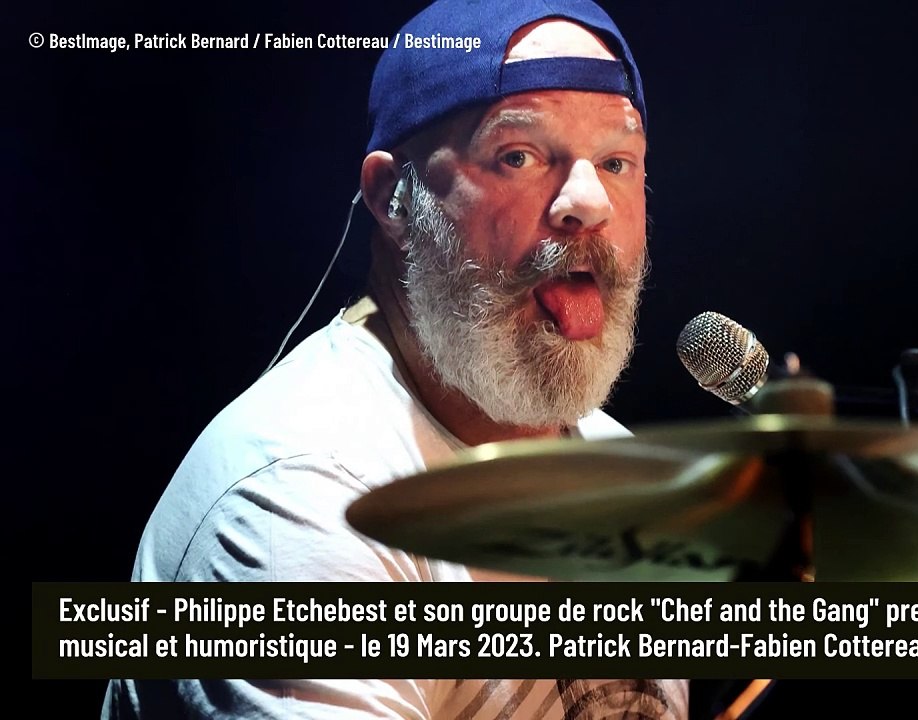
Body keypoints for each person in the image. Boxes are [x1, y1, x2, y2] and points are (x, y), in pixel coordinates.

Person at [102, 0, 689, 717]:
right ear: (393, 197)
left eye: (617, 162)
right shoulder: (302, 504)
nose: (588, 203)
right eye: (520, 156)